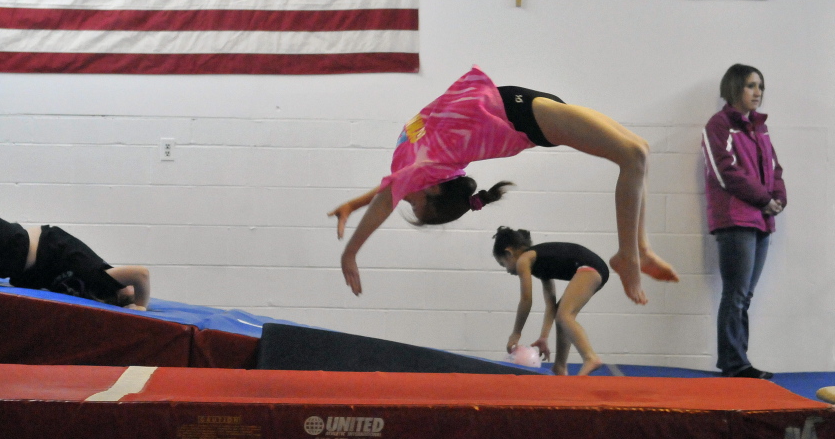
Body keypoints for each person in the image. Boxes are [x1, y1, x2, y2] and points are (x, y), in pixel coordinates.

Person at [329, 66, 678, 305]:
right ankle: (629, 255)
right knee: (633, 157)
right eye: (414, 206)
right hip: (524, 115)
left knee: (640, 153)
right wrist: (353, 247)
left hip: (521, 105)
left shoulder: (415, 169)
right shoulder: (425, 171)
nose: (407, 200)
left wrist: (352, 215)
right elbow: (391, 195)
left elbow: (389, 191)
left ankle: (639, 251)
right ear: (434, 190)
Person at [0, 198, 151, 310]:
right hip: (15, 258)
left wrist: (140, 307)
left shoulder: (103, 280)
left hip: (17, 249)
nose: (130, 286)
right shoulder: (97, 281)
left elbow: (141, 274)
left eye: (129, 291)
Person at [702, 64, 786, 379]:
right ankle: (735, 365)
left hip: (762, 218)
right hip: (736, 219)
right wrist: (765, 199)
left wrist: (778, 198)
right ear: (735, 87)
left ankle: (739, 362)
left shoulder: (759, 128)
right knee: (736, 293)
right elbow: (725, 171)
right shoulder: (719, 125)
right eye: (751, 85)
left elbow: (775, 168)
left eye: (760, 86)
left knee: (744, 296)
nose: (758, 92)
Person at [492, 226, 607, 375]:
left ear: (509, 253)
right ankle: (560, 367)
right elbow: (551, 305)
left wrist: (516, 333)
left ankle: (590, 357)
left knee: (565, 315)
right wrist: (543, 337)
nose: (506, 270)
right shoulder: (540, 264)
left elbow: (526, 300)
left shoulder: (524, 261)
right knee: (562, 314)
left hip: (590, 268)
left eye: (503, 263)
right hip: (592, 268)